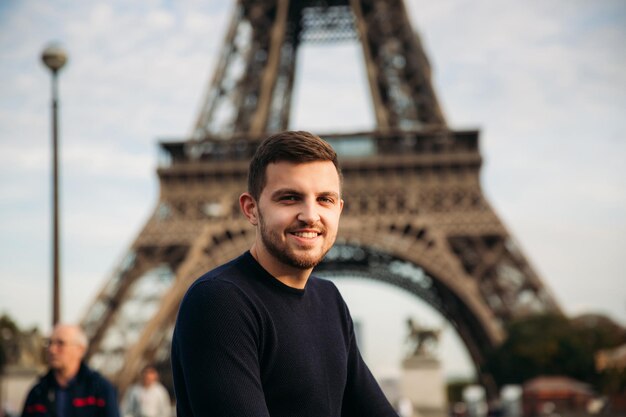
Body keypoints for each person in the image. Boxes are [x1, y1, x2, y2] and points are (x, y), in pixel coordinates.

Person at [171, 131, 399, 417]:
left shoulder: (329, 300)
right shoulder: (219, 301)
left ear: (339, 210)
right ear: (251, 209)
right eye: (290, 198)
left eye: (324, 199)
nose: (310, 215)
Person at [21, 324, 120, 417]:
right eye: (49, 343)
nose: (52, 349)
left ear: (80, 350)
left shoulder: (102, 390)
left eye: (60, 343)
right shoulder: (37, 393)